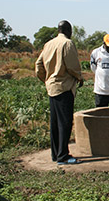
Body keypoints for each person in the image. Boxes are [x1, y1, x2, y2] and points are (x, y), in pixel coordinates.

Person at [35, 20, 83, 165]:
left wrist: (47, 79)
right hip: (64, 87)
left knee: (55, 123)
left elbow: (38, 65)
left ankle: (55, 154)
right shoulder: (67, 43)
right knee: (65, 123)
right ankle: (63, 155)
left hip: (52, 87)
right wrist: (79, 77)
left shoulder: (48, 44)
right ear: (69, 31)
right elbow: (72, 65)